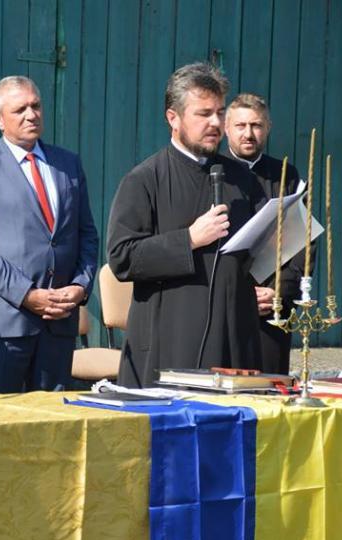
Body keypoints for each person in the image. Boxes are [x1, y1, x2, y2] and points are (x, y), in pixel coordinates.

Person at [106, 62, 262, 389]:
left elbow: (260, 246)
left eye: (219, 112)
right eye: (203, 114)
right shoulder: (144, 179)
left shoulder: (242, 179)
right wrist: (188, 239)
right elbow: (122, 257)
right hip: (171, 337)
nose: (215, 123)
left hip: (235, 337)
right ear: (173, 118)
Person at [0, 76, 98, 394]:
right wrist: (27, 295)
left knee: (51, 420)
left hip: (58, 323)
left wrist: (80, 286)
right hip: (4, 325)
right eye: (20, 109)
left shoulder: (68, 164)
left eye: (36, 106)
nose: (31, 115)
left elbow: (86, 234)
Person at [225, 92, 303, 374]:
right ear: (226, 128)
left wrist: (278, 291)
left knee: (272, 385)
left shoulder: (286, 175)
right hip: (226, 307)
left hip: (273, 307)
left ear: (267, 128)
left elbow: (303, 242)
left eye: (256, 125)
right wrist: (241, 295)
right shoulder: (213, 172)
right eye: (240, 125)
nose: (248, 133)